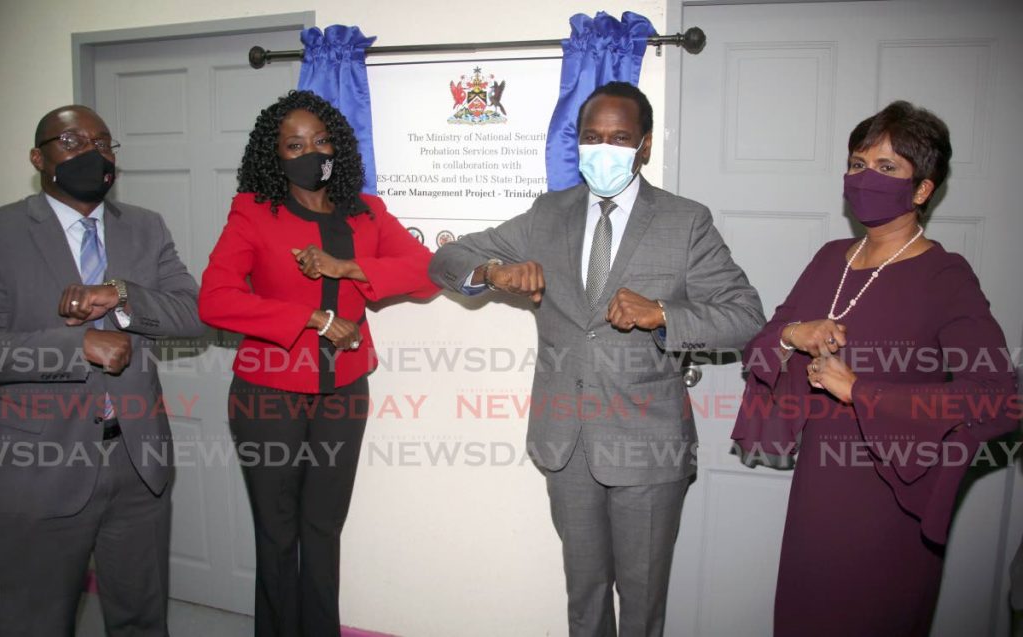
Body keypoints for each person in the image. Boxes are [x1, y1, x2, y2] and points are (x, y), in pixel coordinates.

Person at [429, 81, 764, 637]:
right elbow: (446, 258)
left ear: (645, 146)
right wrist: (493, 272)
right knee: (583, 597)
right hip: (568, 442)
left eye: (619, 137)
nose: (602, 149)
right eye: (591, 137)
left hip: (649, 447)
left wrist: (662, 313)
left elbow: (746, 316)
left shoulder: (686, 222)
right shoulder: (547, 214)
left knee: (641, 601)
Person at [731, 100, 1020, 636]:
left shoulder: (945, 277)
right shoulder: (828, 258)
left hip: (892, 502)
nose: (866, 178)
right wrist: (797, 334)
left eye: (888, 167)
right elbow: (758, 350)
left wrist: (861, 389)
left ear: (922, 189)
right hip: (818, 492)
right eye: (858, 164)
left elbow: (998, 398)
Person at [198, 90, 437, 636]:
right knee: (278, 534)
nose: (312, 151)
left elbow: (426, 273)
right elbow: (214, 299)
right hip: (268, 397)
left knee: (324, 529)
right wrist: (310, 319)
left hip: (344, 392)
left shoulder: (367, 213)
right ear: (274, 154)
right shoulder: (254, 213)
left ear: (338, 146)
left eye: (321, 140)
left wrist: (351, 268)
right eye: (295, 144)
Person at [0, 105, 203, 635]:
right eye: (72, 141)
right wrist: (77, 347)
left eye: (105, 143)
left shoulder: (144, 226)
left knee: (140, 619)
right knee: (36, 620)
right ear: (38, 158)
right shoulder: (4, 232)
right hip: (38, 466)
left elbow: (193, 313)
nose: (93, 153)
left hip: (138, 460)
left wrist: (120, 295)